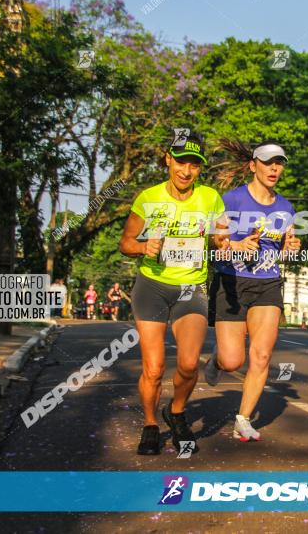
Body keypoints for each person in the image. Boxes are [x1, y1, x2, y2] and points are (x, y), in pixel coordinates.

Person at [118, 131, 224, 456]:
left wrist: (222, 241)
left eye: (194, 164)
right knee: (154, 367)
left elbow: (222, 238)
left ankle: (175, 411)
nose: (186, 170)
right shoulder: (148, 198)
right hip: (152, 287)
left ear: (200, 168)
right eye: (181, 162)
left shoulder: (210, 198)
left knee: (190, 365)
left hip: (191, 287)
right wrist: (142, 247)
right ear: (168, 159)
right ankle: (151, 423)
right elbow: (125, 243)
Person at [205, 140, 301, 441]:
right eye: (268, 162)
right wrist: (234, 244)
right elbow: (214, 241)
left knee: (260, 356)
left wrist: (291, 247)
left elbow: (287, 248)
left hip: (268, 283)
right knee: (233, 361)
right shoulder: (232, 200)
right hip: (231, 281)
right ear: (253, 165)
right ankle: (218, 359)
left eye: (280, 162)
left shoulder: (286, 207)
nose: (275, 168)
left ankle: (243, 419)